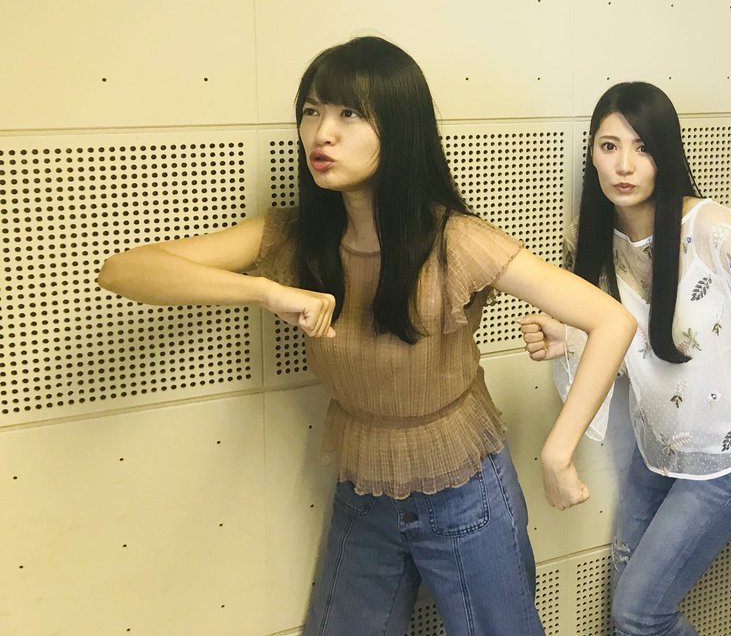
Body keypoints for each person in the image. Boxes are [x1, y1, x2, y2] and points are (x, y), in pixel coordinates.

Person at [97, 34, 636, 636]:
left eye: (349, 114)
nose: (321, 133)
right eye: (311, 111)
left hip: (464, 489)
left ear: (399, 129)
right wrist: (265, 291)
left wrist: (558, 454)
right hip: (364, 488)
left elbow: (611, 320)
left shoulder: (455, 240)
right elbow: (124, 270)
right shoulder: (295, 236)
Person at [521, 81, 731, 636]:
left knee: (639, 614)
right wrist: (566, 339)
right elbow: (626, 342)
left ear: (665, 155)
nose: (624, 165)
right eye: (609, 146)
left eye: (642, 148)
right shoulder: (589, 239)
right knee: (627, 596)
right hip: (659, 446)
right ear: (592, 153)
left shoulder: (709, 229)